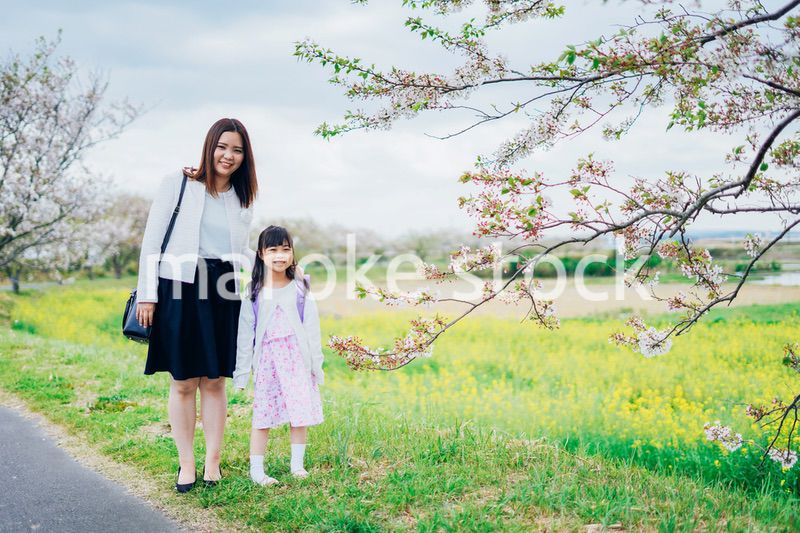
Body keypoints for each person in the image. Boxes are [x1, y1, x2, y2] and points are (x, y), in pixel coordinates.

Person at [135, 118, 257, 492]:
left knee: (216, 381)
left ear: (244, 156)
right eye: (223, 147)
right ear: (210, 146)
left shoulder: (243, 197)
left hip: (222, 291)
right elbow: (152, 239)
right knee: (184, 381)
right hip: (179, 286)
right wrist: (147, 293)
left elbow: (241, 251)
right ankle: (186, 463)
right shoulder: (180, 183)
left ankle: (213, 462)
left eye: (237, 150)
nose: (228, 155)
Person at [234, 225, 325, 485]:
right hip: (267, 361)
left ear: (292, 253)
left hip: (297, 359)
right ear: (261, 254)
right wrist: (242, 373)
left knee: (300, 413)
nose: (280, 255)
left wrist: (316, 366)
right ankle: (257, 471)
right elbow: (245, 334)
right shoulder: (253, 291)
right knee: (263, 415)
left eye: (285, 249)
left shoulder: (300, 288)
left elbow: (312, 327)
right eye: (273, 250)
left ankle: (297, 466)